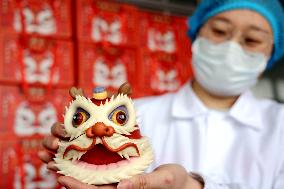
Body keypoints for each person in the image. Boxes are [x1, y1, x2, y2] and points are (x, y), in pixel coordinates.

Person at [39, 0, 284, 188]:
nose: (231, 48)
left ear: (271, 55)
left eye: (251, 40)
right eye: (220, 31)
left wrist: (191, 186)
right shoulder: (134, 115)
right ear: (196, 36)